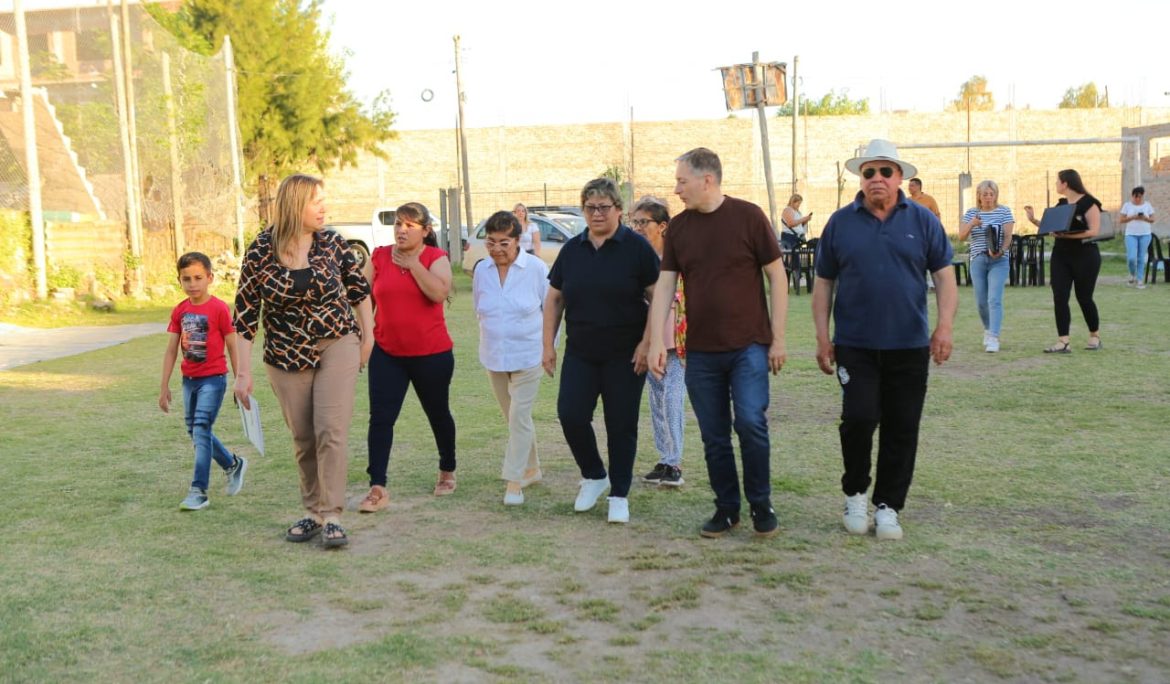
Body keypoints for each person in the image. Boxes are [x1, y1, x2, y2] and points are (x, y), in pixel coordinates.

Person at [812, 139, 957, 541]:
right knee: (858, 419)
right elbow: (823, 283)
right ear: (861, 178)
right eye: (869, 172)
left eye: (885, 172)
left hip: (909, 345)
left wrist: (944, 327)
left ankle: (889, 505)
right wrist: (823, 338)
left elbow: (945, 275)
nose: (877, 178)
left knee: (902, 425)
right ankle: (855, 493)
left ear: (900, 178)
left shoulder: (923, 221)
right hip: (855, 345)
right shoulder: (840, 223)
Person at [648, 147, 788, 539]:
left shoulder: (749, 216)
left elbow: (777, 277)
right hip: (701, 351)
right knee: (713, 434)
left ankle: (761, 504)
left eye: (681, 181)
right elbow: (665, 286)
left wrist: (778, 338)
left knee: (749, 423)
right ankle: (727, 509)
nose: (676, 189)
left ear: (706, 179)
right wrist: (657, 341)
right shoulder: (678, 229)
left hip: (749, 346)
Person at [234, 174, 373, 549]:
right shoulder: (261, 249)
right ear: (296, 205)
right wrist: (242, 374)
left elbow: (359, 291)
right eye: (316, 201)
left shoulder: (333, 243)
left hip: (336, 341)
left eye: (324, 200)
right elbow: (245, 315)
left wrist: (368, 336)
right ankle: (312, 511)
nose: (324, 207)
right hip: (284, 354)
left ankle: (332, 516)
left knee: (331, 429)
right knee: (303, 436)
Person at [543, 177, 660, 525]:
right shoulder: (572, 249)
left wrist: (647, 342)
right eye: (590, 207)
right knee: (570, 414)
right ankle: (594, 475)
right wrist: (546, 343)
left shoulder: (636, 248)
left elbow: (658, 297)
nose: (596, 213)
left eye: (603, 207)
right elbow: (554, 298)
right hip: (580, 351)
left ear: (619, 210)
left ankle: (619, 493)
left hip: (626, 354)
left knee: (620, 424)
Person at [361, 202, 458, 511]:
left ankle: (447, 468)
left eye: (409, 225)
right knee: (381, 418)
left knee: (437, 413)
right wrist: (363, 338)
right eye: (398, 224)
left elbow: (438, 293)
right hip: (388, 353)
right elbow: (361, 296)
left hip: (432, 354)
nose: (401, 230)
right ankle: (377, 486)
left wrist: (412, 264)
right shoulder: (378, 256)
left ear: (425, 231)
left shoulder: (435, 258)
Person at [160, 251, 247, 511]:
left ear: (209, 278)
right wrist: (164, 386)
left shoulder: (219, 308)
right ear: (180, 281)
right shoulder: (180, 310)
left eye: (198, 277)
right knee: (196, 431)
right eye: (186, 279)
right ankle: (233, 464)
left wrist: (239, 379)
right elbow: (171, 349)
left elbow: (233, 345)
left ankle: (198, 490)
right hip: (189, 380)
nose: (193, 283)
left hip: (214, 379)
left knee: (200, 428)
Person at [473, 210, 549, 506]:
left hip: (529, 354)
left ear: (518, 240)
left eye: (504, 243)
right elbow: (480, 308)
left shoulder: (536, 269)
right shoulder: (482, 270)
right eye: (491, 242)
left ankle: (514, 481)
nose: (497, 250)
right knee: (514, 418)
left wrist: (548, 350)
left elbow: (550, 312)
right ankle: (532, 468)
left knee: (519, 416)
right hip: (494, 355)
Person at [630, 196, 686, 488]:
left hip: (675, 340)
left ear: (662, 226)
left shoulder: (677, 257)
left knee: (672, 400)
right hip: (649, 340)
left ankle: (674, 462)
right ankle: (664, 458)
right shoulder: (637, 256)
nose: (637, 227)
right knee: (656, 400)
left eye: (643, 222)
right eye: (634, 221)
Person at [1024, 169, 1104, 353]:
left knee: (1084, 297)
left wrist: (1067, 235)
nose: (1055, 184)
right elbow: (1051, 226)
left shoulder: (1089, 203)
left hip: (1086, 256)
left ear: (1065, 183)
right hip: (1061, 255)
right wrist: (1034, 220)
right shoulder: (1061, 204)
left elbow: (1094, 231)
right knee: (1060, 296)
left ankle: (1094, 336)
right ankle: (1063, 341)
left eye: (1057, 181)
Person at [959, 180, 1014, 353]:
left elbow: (1008, 236)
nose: (989, 197)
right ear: (979, 196)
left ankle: (994, 337)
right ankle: (988, 329)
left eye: (992, 194)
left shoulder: (1004, 211)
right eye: (985, 194)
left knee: (994, 299)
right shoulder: (971, 213)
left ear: (996, 195)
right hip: (978, 259)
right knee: (981, 301)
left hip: (999, 260)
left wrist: (1001, 250)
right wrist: (972, 224)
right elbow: (961, 236)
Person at [1120, 186, 1155, 288]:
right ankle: (1132, 274)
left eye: (1140, 197)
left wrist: (1145, 218)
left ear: (1143, 196)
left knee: (1141, 257)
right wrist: (1133, 217)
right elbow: (1121, 220)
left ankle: (1139, 280)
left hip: (1145, 234)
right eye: (1135, 197)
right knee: (1131, 257)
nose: (1137, 199)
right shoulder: (1127, 205)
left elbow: (1153, 219)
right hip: (1131, 234)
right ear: (1132, 196)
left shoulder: (1147, 205)